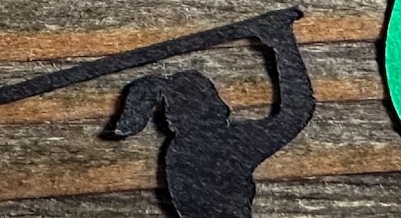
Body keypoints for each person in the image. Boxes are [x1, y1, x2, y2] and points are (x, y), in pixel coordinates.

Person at [109, 15, 316, 218]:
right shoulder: (223, 142)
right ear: (216, 105)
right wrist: (284, 45)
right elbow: (297, 111)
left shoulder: (181, 148)